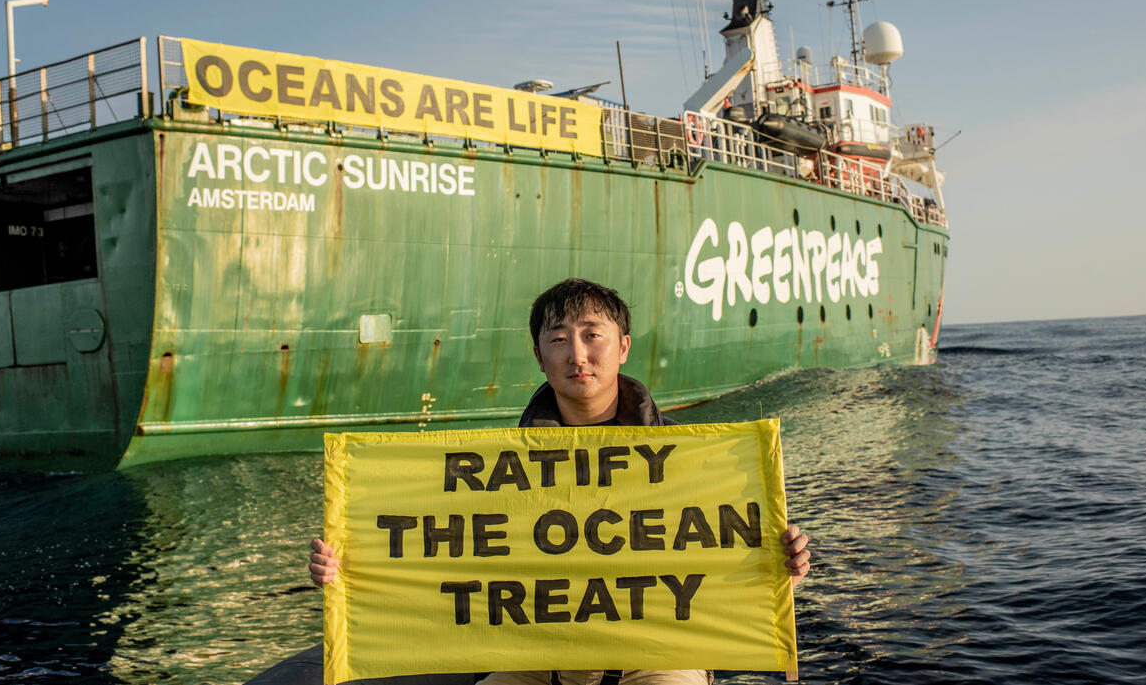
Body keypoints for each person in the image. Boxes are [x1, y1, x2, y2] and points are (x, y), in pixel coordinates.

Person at [309, 278, 811, 685]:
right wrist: (344, 568)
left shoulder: (693, 456)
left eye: (593, 335)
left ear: (623, 348)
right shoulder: (498, 466)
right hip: (538, 657)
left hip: (658, 654)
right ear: (539, 356)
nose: (578, 354)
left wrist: (780, 559)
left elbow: (725, 545)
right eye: (558, 339)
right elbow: (427, 540)